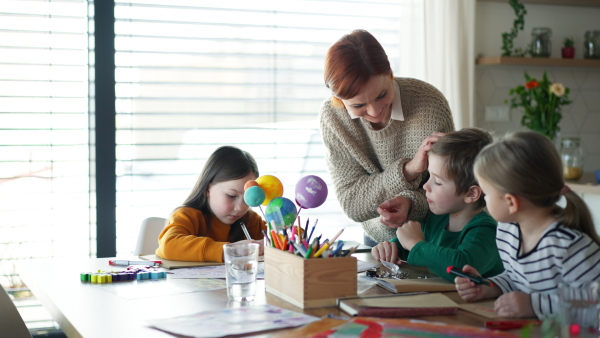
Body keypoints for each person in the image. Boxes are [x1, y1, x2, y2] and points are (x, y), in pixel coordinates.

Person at [319, 29, 455, 245]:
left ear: (390, 71)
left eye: (382, 95)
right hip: (377, 241)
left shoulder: (429, 103)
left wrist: (410, 204)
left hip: (431, 237)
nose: (374, 111)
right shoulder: (333, 118)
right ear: (338, 99)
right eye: (358, 105)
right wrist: (408, 170)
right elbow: (352, 202)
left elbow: (451, 186)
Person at [455, 131, 600, 319]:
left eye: (487, 194)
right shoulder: (508, 231)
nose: (485, 199)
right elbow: (519, 279)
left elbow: (594, 306)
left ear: (511, 203)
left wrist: (535, 305)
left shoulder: (570, 247)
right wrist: (490, 286)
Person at [371, 128, 504, 282]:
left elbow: (461, 268)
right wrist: (390, 248)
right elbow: (410, 248)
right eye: (429, 176)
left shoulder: (485, 231)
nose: (426, 186)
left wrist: (415, 244)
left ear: (471, 194)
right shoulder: (435, 218)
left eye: (438, 182)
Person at [156, 146, 266, 262]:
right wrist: (230, 251)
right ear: (207, 189)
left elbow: (280, 241)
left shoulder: (250, 220)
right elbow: (169, 246)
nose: (240, 208)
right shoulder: (187, 216)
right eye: (231, 196)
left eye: (246, 198)